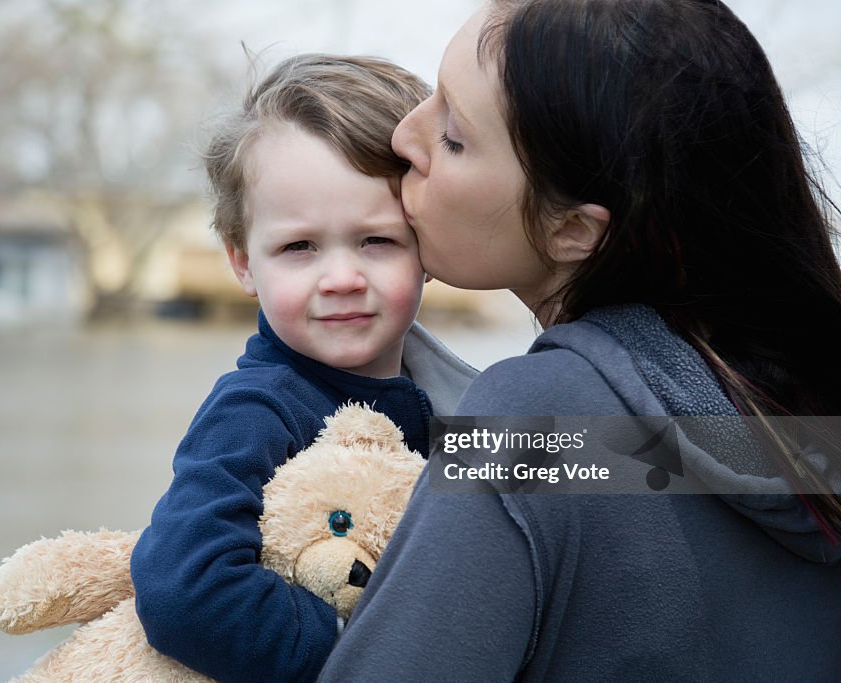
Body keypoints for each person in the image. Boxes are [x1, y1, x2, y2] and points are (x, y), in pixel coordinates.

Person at [319, 1, 841, 680]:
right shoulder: (804, 417)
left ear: (574, 229)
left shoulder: (536, 425)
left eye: (452, 134)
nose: (402, 137)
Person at [129, 54, 478, 683]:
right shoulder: (258, 410)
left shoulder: (448, 396)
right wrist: (365, 650)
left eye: (377, 241)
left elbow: (598, 465)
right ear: (242, 263)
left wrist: (702, 448)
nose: (342, 279)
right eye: (299, 247)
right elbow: (184, 591)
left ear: (427, 246)